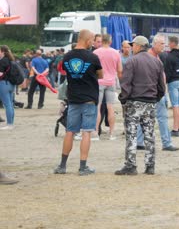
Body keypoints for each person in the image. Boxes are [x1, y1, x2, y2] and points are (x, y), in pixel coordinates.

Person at [53, 29, 103, 176]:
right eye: (92, 40)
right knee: (86, 131)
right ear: (87, 40)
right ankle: (82, 167)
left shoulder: (67, 56)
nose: (93, 43)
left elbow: (65, 72)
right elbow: (101, 75)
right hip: (89, 99)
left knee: (70, 131)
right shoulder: (93, 57)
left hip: (73, 98)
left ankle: (62, 165)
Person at [115, 36, 165, 175]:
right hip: (150, 102)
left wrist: (123, 99)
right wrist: (155, 98)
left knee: (131, 134)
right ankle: (150, 166)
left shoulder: (132, 61)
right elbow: (161, 86)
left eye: (133, 45)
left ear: (138, 46)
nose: (131, 48)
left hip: (134, 102)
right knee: (149, 134)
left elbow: (126, 84)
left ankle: (131, 165)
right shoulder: (156, 62)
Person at [136, 34, 179, 152]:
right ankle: (166, 143)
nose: (164, 46)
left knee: (151, 117)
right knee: (158, 117)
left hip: (157, 92)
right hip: (153, 92)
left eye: (164, 44)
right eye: (161, 44)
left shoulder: (157, 56)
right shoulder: (150, 57)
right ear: (154, 44)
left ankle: (141, 142)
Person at [94, 34, 123, 141]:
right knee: (110, 108)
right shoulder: (116, 53)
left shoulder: (96, 52)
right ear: (110, 41)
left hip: (99, 81)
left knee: (97, 107)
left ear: (101, 41)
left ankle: (96, 132)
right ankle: (111, 133)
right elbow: (119, 70)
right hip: (111, 82)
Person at [165, 36, 179, 137]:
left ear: (173, 43)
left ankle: (175, 129)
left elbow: (167, 72)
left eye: (169, 43)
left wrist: (166, 82)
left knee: (175, 105)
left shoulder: (169, 57)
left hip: (173, 81)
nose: (168, 45)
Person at [0, 45, 16, 130]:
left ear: (2, 51)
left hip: (3, 84)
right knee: (10, 104)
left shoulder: (2, 61)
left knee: (7, 105)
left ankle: (9, 124)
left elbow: (1, 74)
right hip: (11, 84)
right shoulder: (10, 60)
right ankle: (11, 123)